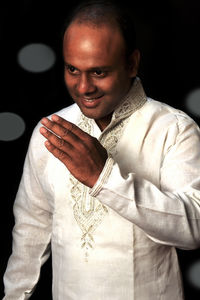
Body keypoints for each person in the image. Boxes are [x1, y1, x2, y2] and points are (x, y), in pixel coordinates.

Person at [3, 0, 200, 299]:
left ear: (131, 64)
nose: (83, 87)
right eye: (72, 69)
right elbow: (31, 224)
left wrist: (103, 178)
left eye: (98, 72)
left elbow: (193, 228)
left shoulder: (173, 129)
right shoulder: (51, 129)